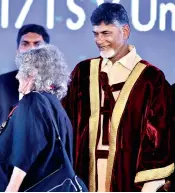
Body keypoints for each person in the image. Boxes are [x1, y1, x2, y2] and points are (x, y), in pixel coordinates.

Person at [62, 2, 174, 192]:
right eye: (96, 34)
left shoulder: (151, 79)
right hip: (84, 175)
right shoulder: (83, 72)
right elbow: (64, 121)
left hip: (128, 177)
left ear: (125, 31)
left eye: (106, 33)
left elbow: (160, 137)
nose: (99, 40)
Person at [0, 45, 86, 192]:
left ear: (31, 73)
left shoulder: (33, 101)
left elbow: (25, 152)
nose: (16, 76)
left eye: (20, 70)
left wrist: (11, 189)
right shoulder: (54, 105)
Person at [0, 24, 50, 132]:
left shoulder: (60, 87)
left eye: (37, 44)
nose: (31, 49)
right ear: (17, 51)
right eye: (25, 44)